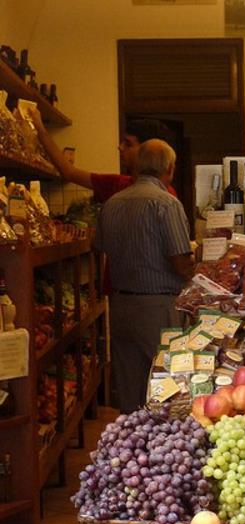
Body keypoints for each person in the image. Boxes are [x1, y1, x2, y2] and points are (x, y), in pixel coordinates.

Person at [94, 139, 194, 413]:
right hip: (157, 307)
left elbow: (101, 247)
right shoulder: (166, 203)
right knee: (170, 387)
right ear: (170, 168)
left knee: (129, 392)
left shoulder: (112, 203)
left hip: (120, 305)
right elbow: (180, 262)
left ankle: (132, 447)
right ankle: (166, 450)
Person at [28, 108, 177, 202]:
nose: (120, 147)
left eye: (128, 144)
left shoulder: (166, 197)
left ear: (148, 149)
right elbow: (69, 172)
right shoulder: (119, 184)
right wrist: (40, 129)